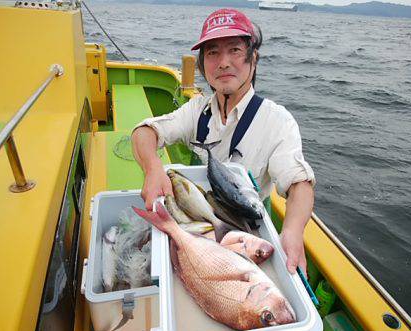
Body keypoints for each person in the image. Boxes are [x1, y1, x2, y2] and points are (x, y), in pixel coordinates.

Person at [131, 8, 315, 275]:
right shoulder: (197, 110)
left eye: (235, 50)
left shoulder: (277, 121)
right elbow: (144, 132)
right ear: (203, 63)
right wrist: (152, 167)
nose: (223, 62)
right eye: (213, 52)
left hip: (245, 232)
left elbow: (299, 185)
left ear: (254, 58)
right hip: (195, 225)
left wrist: (293, 231)